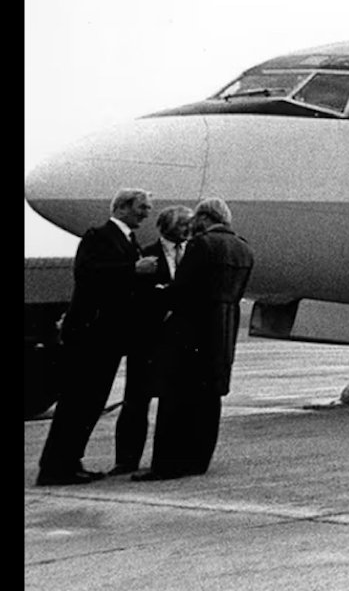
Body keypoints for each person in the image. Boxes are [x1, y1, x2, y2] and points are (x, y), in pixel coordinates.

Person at [37, 188, 158, 485]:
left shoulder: (128, 239)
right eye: (142, 207)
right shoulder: (99, 236)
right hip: (91, 337)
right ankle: (55, 468)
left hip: (108, 339)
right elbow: (89, 273)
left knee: (89, 404)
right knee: (77, 403)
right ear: (121, 207)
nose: (146, 213)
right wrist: (134, 268)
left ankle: (69, 462)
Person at [134, 197, 255, 480]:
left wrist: (158, 291)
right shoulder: (243, 248)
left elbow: (183, 291)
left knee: (175, 398)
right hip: (224, 328)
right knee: (209, 399)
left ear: (204, 218)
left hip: (192, 329)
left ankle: (167, 465)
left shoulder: (202, 245)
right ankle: (198, 461)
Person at [112, 204, 194, 475]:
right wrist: (165, 296)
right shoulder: (145, 254)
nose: (188, 229)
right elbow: (136, 296)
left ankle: (173, 457)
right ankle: (126, 460)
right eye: (183, 224)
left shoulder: (194, 253)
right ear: (165, 226)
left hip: (179, 341)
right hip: (148, 339)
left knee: (176, 401)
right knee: (136, 402)